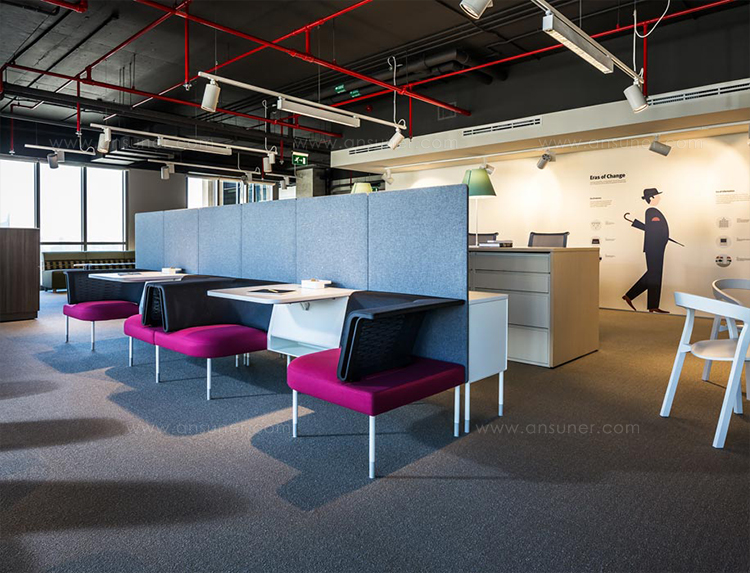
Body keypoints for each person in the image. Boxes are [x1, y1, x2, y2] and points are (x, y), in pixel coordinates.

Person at [622, 188, 671, 314]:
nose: (659, 198)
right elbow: (653, 230)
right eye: (657, 196)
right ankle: (631, 296)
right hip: (654, 248)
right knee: (654, 274)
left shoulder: (653, 211)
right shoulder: (651, 211)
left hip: (657, 247)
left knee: (655, 275)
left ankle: (651, 305)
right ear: (652, 197)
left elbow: (652, 228)